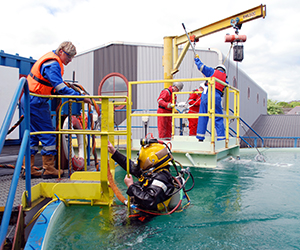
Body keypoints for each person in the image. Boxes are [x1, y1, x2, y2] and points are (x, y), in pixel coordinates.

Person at [21, 41, 91, 179]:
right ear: (61, 52)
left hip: (29, 99)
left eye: (72, 57)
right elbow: (60, 88)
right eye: (69, 56)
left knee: (33, 136)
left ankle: (27, 169)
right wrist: (80, 98)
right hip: (36, 101)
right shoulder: (53, 64)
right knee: (48, 135)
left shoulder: (50, 61)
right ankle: (49, 169)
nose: (70, 60)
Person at [107, 139, 176, 212]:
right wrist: (113, 152)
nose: (139, 163)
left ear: (152, 161)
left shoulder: (162, 178)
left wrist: (131, 186)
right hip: (140, 207)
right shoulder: (151, 171)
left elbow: (149, 201)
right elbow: (132, 167)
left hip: (150, 215)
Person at [194, 57, 227, 141]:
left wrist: (197, 59)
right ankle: (221, 138)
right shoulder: (225, 80)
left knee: (203, 116)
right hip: (217, 97)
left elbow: (201, 67)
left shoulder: (212, 71)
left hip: (206, 95)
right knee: (218, 117)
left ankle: (200, 137)